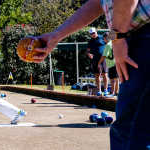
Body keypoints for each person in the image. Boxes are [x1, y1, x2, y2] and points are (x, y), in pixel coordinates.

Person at [30, 0, 148, 149]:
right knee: (131, 129)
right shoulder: (94, 40)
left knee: (132, 132)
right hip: (135, 37)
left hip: (142, 37)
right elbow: (99, 3)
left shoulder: (108, 37)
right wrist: (57, 35)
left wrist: (118, 36)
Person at [86, 27, 109, 96]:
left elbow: (109, 44)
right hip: (95, 59)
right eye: (91, 33)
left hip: (103, 58)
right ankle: (99, 91)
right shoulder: (90, 41)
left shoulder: (102, 37)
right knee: (97, 75)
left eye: (93, 33)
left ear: (96, 31)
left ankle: (105, 90)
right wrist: (89, 55)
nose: (93, 34)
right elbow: (88, 51)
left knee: (105, 74)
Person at [98, 32, 119, 97]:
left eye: (103, 39)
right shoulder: (114, 43)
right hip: (116, 63)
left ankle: (112, 93)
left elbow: (104, 55)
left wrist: (99, 63)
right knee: (116, 78)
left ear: (106, 38)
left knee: (112, 79)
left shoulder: (107, 45)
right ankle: (116, 92)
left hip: (112, 64)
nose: (103, 40)